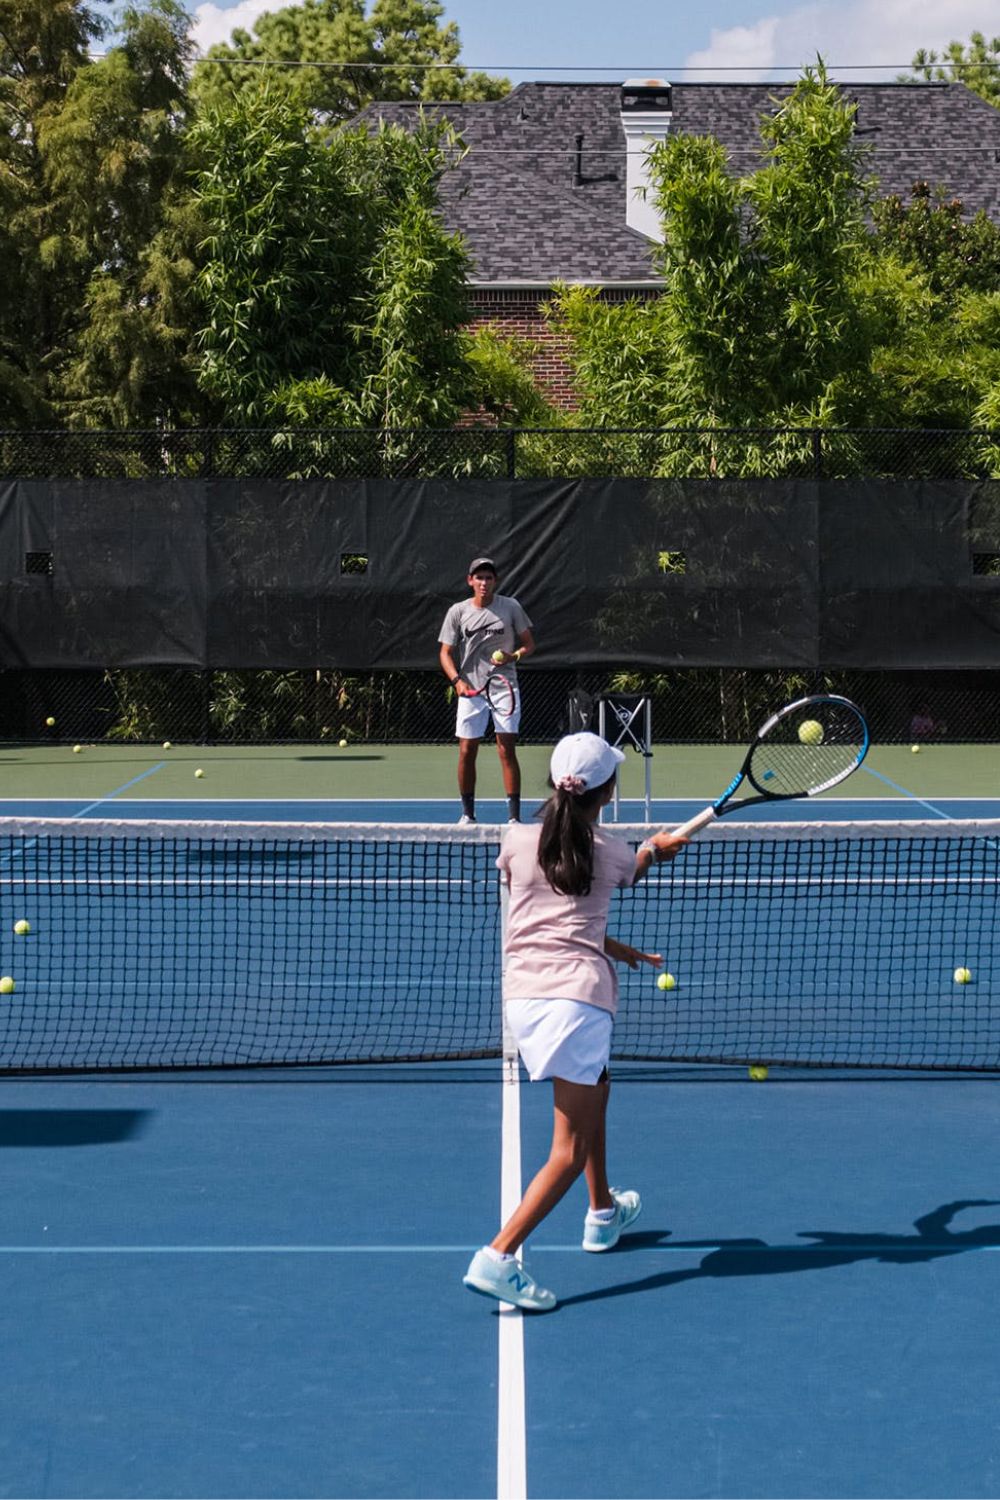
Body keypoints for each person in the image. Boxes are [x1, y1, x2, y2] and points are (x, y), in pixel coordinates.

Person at [463, 731, 689, 1312]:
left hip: (524, 1002)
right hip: (576, 1005)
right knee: (567, 1147)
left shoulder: (514, 840)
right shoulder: (613, 851)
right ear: (607, 792)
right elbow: (627, 868)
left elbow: (553, 919)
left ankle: (602, 1213)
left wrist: (618, 948)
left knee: (598, 1089)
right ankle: (499, 1256)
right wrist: (655, 851)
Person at [438, 557, 535, 824]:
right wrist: (458, 681)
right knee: (467, 750)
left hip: (504, 686)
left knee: (506, 750)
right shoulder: (457, 612)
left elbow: (528, 644)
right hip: (471, 689)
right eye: (479, 577)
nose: (484, 582)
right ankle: (468, 814)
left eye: (488, 578)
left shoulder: (511, 607)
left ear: (495, 581)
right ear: (470, 581)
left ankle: (514, 818)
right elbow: (445, 653)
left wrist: (512, 656)